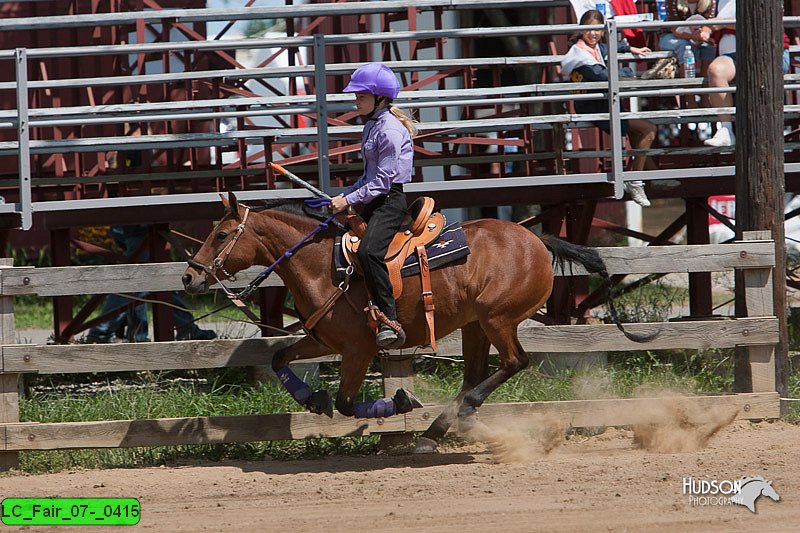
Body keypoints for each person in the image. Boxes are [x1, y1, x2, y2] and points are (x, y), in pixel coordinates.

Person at [329, 63, 418, 348]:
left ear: (379, 98)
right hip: (373, 198)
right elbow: (367, 178)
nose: (355, 101)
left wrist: (349, 200)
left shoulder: (389, 131)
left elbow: (382, 182)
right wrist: (343, 196)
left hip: (390, 201)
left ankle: (389, 319)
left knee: (368, 251)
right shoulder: (371, 126)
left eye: (360, 97)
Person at [561, 9, 657, 207]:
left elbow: (613, 47)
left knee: (638, 133)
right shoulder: (580, 55)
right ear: (581, 30)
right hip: (594, 108)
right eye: (589, 29)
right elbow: (604, 76)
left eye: (597, 29)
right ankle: (635, 180)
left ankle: (655, 175)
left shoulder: (595, 48)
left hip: (605, 105)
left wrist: (632, 49)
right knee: (648, 130)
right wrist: (634, 75)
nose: (593, 34)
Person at [86, 223, 217, 343]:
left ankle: (126, 334)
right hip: (138, 221)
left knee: (146, 279)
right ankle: (108, 332)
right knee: (139, 280)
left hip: (131, 221)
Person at [703, 0, 790, 147]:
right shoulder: (715, 2)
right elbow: (710, 21)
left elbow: (762, 23)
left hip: (767, 51)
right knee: (715, 70)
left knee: (759, 75)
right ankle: (726, 129)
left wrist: (724, 24)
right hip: (733, 57)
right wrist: (705, 30)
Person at [658, 0, 717, 78]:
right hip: (670, 35)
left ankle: (706, 83)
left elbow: (709, 23)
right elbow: (675, 29)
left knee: (709, 46)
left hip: (698, 35)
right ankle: (687, 84)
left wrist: (704, 34)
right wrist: (694, 37)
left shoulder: (710, 2)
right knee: (685, 46)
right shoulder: (672, 1)